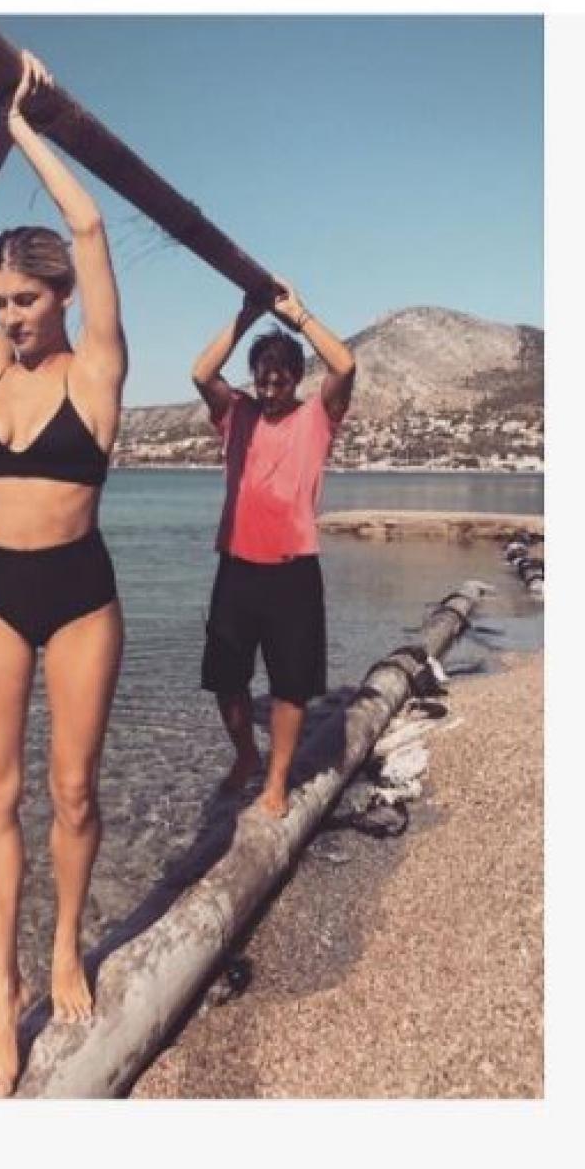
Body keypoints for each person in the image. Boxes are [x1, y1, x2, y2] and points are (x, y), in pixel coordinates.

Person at [0, 51, 126, 1097]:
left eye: (24, 300)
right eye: (0, 301)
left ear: (60, 299)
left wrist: (32, 125)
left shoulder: (96, 373)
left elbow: (90, 229)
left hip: (80, 597)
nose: (8, 315)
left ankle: (65, 949)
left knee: (74, 792)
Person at [191, 280, 355, 818]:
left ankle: (277, 780)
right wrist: (246, 317)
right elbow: (201, 374)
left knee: (290, 685)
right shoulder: (236, 414)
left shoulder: (317, 417)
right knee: (226, 679)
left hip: (292, 573)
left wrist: (297, 315)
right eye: (262, 376)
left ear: (295, 377)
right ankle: (245, 755)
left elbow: (345, 364)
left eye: (280, 376)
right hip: (237, 569)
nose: (269, 385)